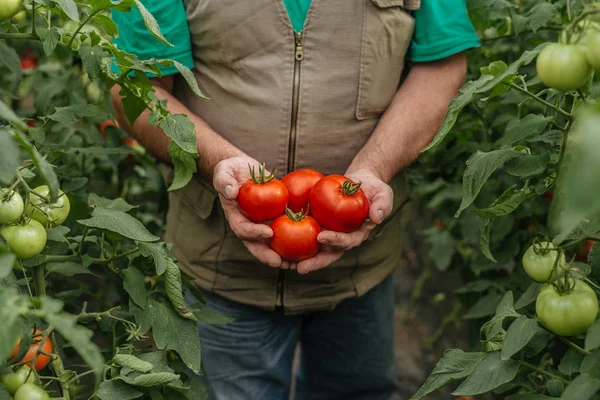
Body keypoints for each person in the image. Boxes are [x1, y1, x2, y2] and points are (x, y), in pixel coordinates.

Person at [111, 1, 479, 399]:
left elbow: (441, 64)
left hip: (361, 268)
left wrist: (374, 168)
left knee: (356, 391)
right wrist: (217, 161)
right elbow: (136, 88)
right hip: (220, 268)